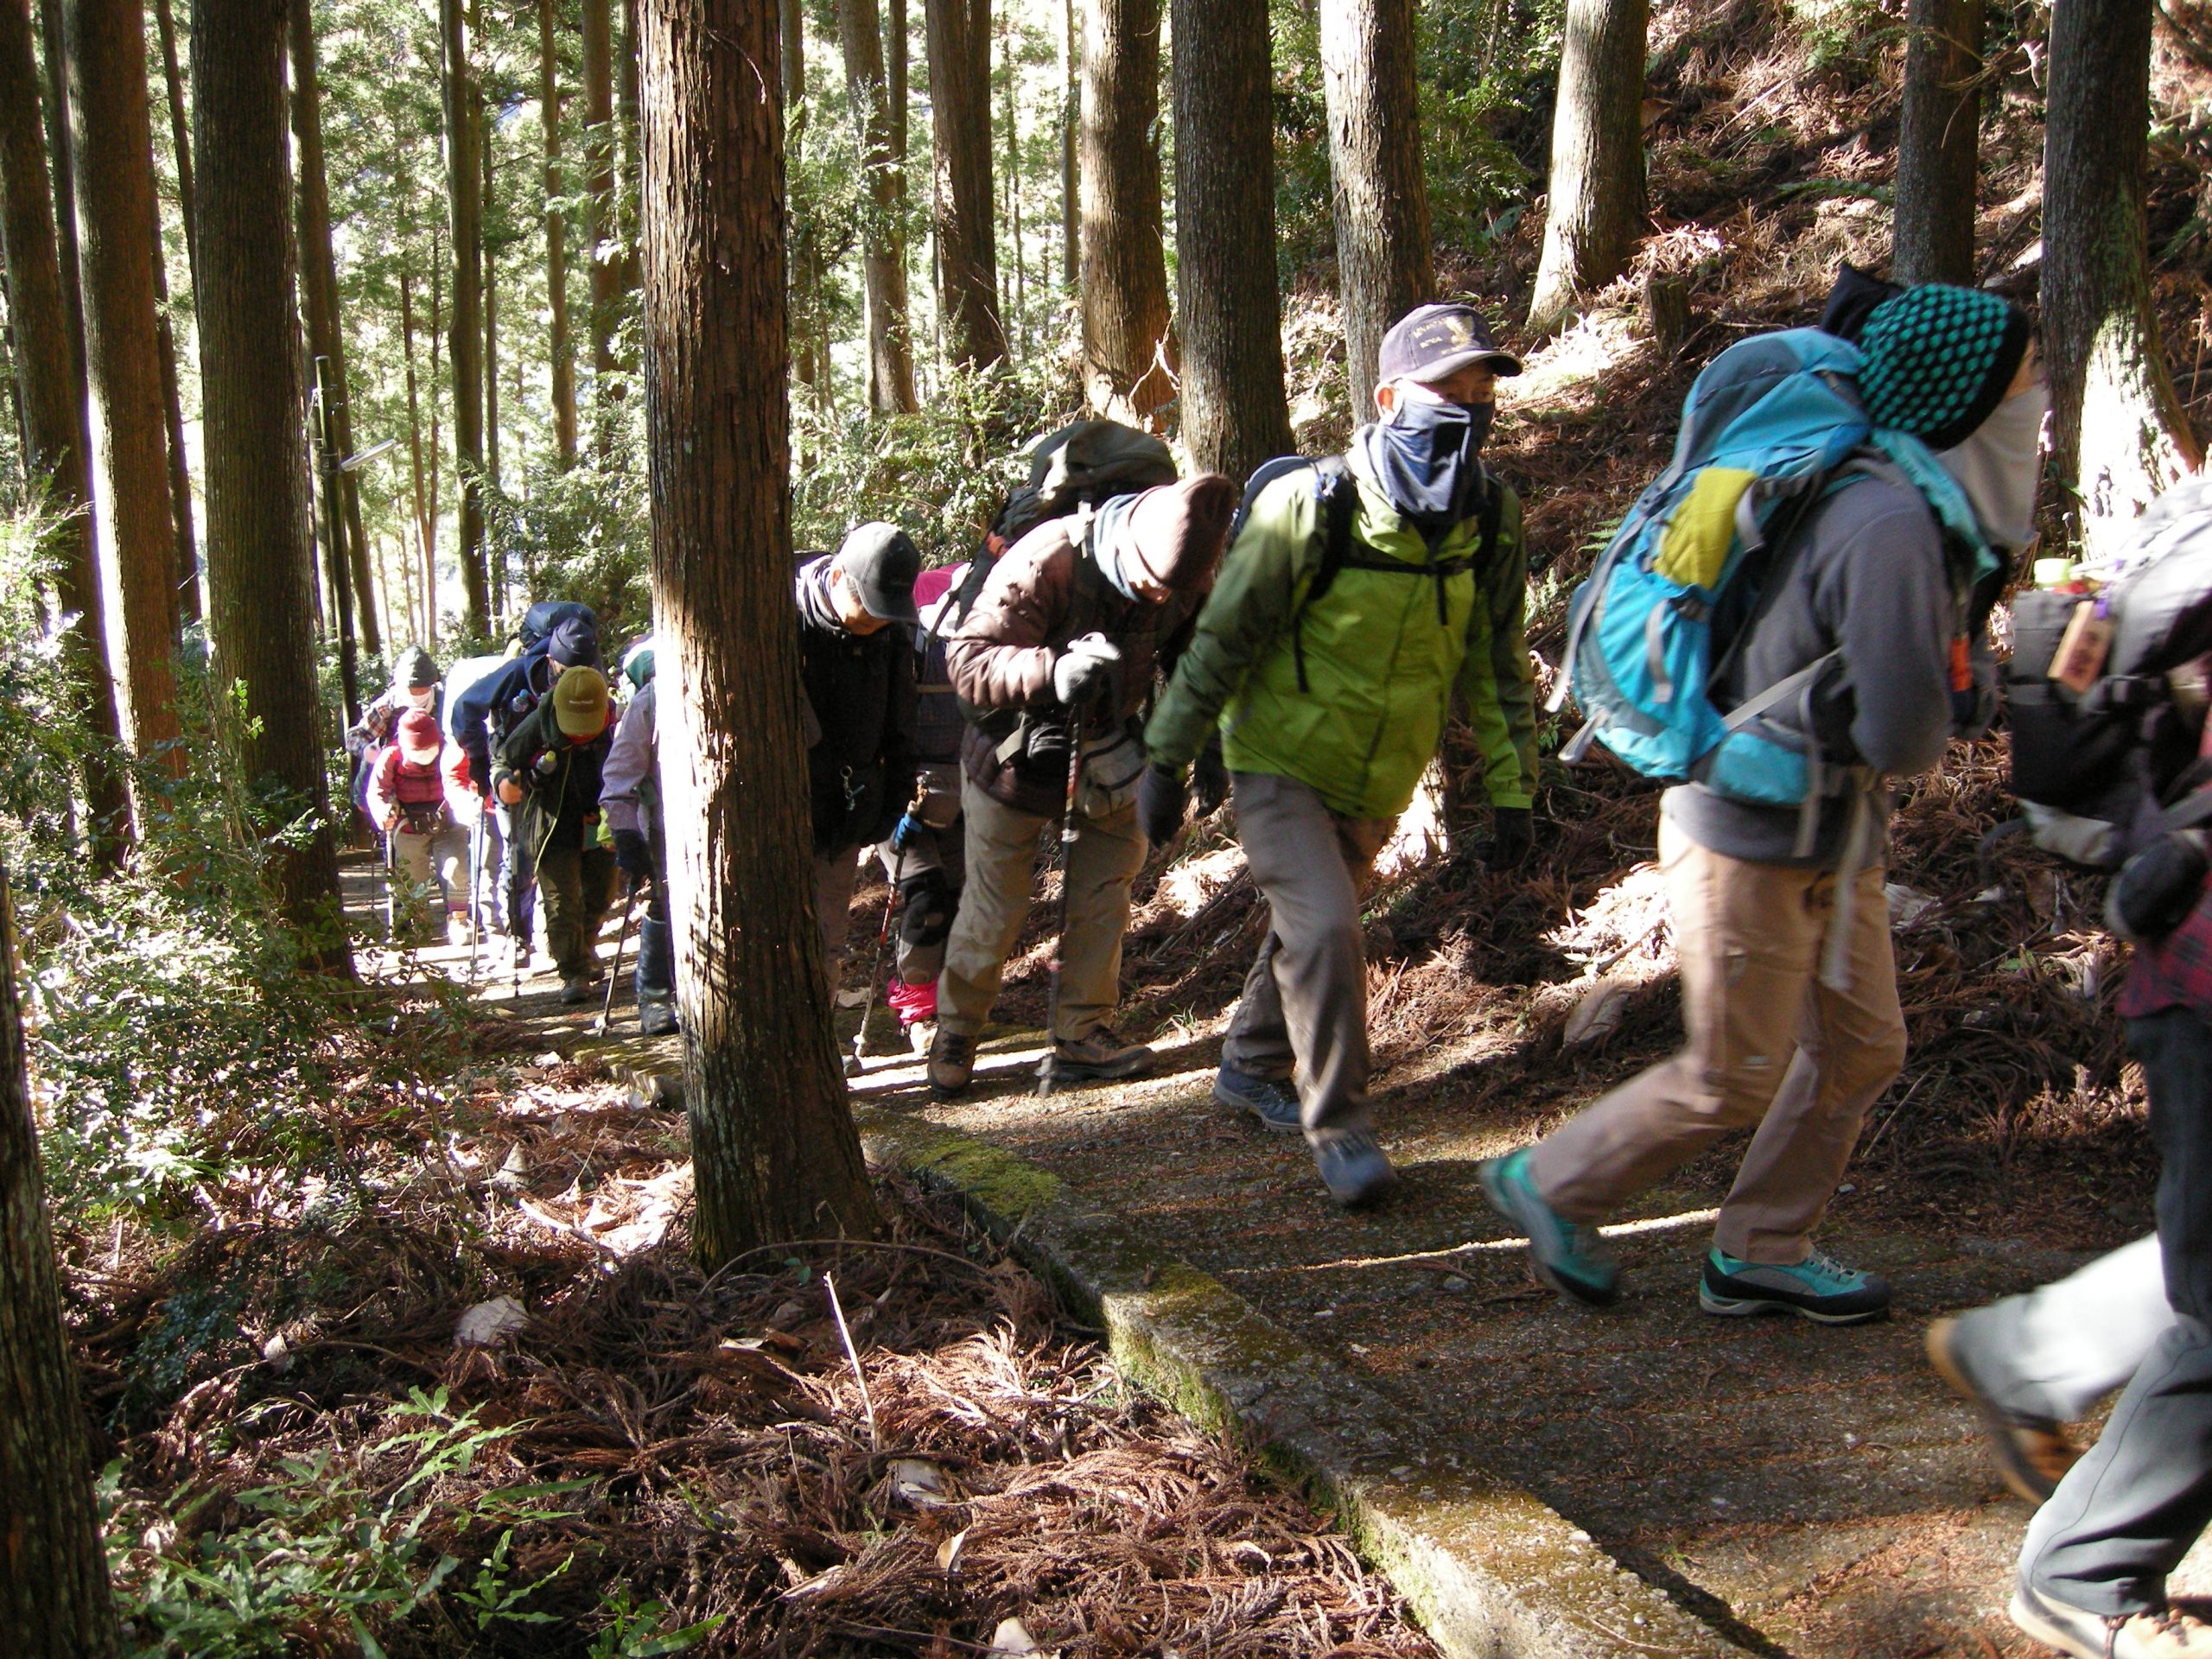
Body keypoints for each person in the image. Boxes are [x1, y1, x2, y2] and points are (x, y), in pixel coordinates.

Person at [1478, 283, 2041, 1317]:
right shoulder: (1888, 520)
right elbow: (1904, 736)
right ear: (1962, 400)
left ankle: (1760, 1248)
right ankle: (1549, 1183)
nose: (2036, 407)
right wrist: (1970, 693)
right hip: (1745, 832)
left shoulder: (1897, 499)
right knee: (1732, 1073)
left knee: (1860, 1050)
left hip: (1827, 827)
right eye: (2022, 383)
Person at [1142, 302, 1537, 1207]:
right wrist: (1168, 759)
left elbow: (1496, 660)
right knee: (1327, 930)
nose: (1469, 410)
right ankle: (1342, 1127)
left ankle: (1248, 1065)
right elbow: (1221, 640)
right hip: (1278, 760)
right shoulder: (1310, 505)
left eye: (1481, 393)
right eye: (1447, 392)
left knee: (1307, 928)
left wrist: (1513, 788)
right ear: (1389, 398)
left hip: (1380, 773)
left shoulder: (1489, 516)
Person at [928, 474, 1235, 1099]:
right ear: (1129, 545)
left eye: (1170, 590)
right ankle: (956, 1031)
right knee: (995, 906)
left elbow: (1196, 660)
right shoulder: (1050, 558)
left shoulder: (1188, 572)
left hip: (1110, 750)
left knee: (1105, 893)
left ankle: (1081, 1031)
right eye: (1149, 584)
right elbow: (967, 661)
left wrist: (1207, 742)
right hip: (1011, 756)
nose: (1159, 597)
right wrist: (1053, 669)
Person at [799, 524, 922, 991]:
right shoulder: (782, 621)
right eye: (869, 610)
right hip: (779, 812)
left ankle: (817, 1029)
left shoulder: (891, 634)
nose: (877, 622)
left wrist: (892, 804)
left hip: (843, 817)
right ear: (836, 579)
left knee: (826, 941)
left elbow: (901, 722)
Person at [454, 612, 601, 960]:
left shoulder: (591, 677)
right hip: (515, 774)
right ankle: (518, 936)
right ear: (551, 660)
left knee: (580, 861)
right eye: (566, 670)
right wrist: (480, 762)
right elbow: (465, 708)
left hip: (569, 780)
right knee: (520, 857)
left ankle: (571, 944)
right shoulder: (517, 673)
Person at [873, 564, 969, 1052]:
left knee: (958, 898)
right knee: (926, 897)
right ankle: (919, 1011)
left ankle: (951, 1006)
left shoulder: (985, 645)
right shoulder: (897, 648)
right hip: (900, 797)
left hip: (961, 791)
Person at [493, 663, 618, 1003]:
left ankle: (584, 947)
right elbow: (503, 759)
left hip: (602, 820)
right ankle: (573, 971)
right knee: (562, 903)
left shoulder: (616, 722)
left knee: (603, 891)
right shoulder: (541, 719)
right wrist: (504, 783)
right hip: (552, 824)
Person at [601, 638, 677, 1036]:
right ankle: (655, 997)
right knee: (665, 906)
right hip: (666, 826)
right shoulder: (650, 701)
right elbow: (619, 777)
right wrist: (626, 834)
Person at [368, 708, 471, 944]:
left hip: (449, 820)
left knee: (457, 871)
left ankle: (459, 921)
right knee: (412, 877)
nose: (425, 754)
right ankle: (418, 922)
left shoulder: (451, 750)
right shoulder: (391, 756)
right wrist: (382, 811)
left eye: (429, 748)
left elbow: (467, 778)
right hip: (408, 824)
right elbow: (376, 792)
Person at [346, 646, 442, 832]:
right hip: (397, 777)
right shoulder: (387, 707)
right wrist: (367, 750)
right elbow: (353, 737)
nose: (418, 692)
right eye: (413, 688)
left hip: (436, 775)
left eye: (423, 688)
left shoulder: (444, 702)